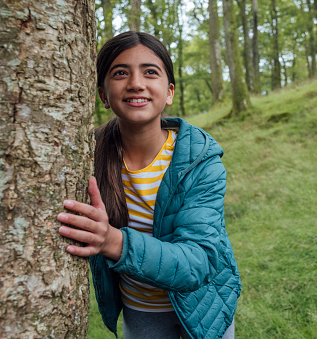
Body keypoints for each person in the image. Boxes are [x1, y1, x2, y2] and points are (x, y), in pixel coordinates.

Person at [57, 31, 241, 339]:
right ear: (103, 94)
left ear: (168, 92)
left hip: (204, 308)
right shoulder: (87, 156)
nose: (136, 83)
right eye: (120, 73)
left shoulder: (200, 160)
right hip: (140, 313)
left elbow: (198, 262)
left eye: (150, 72)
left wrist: (113, 241)